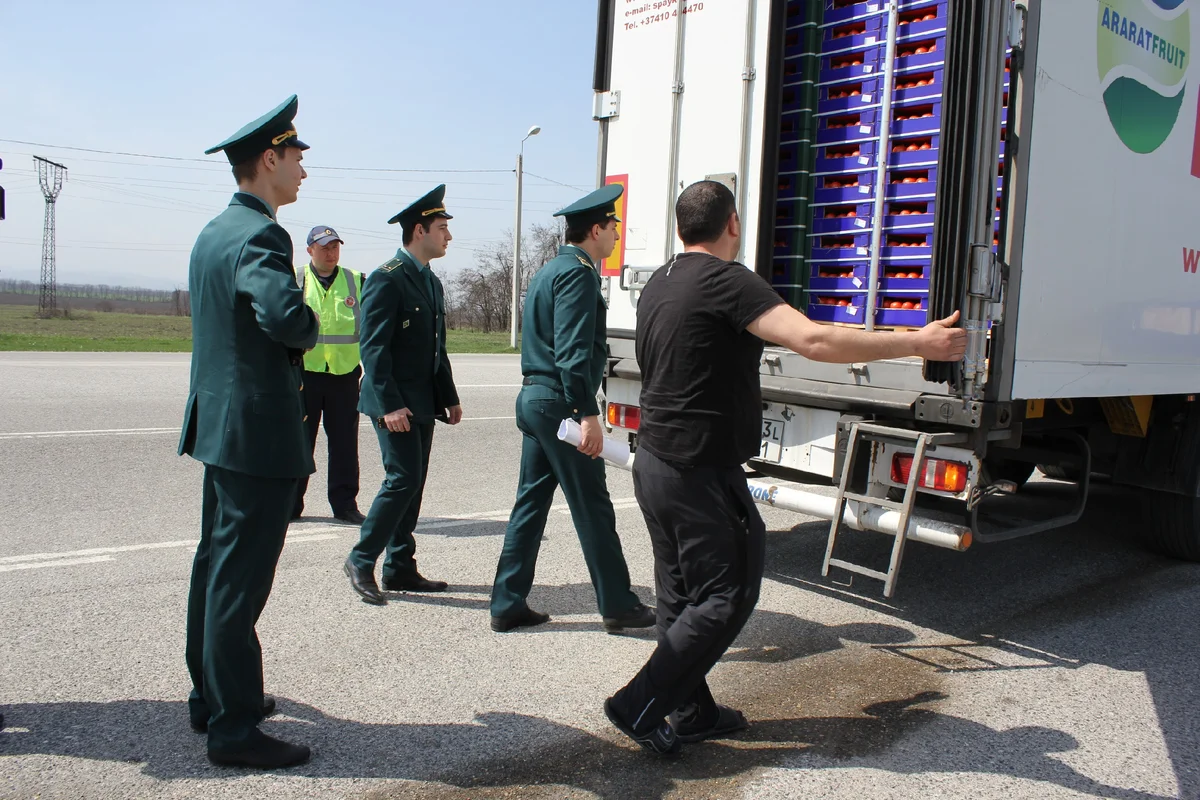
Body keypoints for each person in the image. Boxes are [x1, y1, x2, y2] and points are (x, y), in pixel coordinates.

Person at [603, 180, 968, 756]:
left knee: (680, 592)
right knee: (727, 594)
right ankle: (637, 705)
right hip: (700, 471)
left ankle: (692, 710)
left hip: (654, 462)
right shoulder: (728, 281)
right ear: (733, 225)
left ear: (681, 229)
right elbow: (815, 341)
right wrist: (915, 341)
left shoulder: (660, 284)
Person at [179, 95, 318, 769]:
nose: (302, 173)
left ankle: (212, 695)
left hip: (219, 426)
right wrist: (307, 326)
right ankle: (234, 727)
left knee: (214, 564)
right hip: (257, 433)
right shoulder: (263, 236)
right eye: (296, 158)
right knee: (238, 578)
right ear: (269, 159)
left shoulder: (214, 231)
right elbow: (285, 318)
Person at [489, 185, 656, 634]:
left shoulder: (550, 270)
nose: (618, 234)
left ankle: (507, 601)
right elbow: (573, 352)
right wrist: (587, 414)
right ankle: (618, 605)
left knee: (531, 504)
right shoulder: (579, 274)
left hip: (535, 399)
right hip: (561, 403)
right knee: (593, 506)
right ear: (596, 229)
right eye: (614, 226)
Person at [343, 185, 462, 606]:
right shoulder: (387, 278)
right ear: (419, 230)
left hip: (423, 400)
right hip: (392, 402)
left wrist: (448, 396)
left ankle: (400, 567)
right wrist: (390, 403)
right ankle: (361, 559)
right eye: (442, 228)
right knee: (402, 479)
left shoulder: (429, 281)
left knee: (414, 482)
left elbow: (436, 347)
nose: (448, 236)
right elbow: (372, 347)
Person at [292, 225, 367, 525]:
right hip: (304, 375)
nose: (330, 253)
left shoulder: (357, 280)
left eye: (335, 247)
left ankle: (345, 504)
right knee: (299, 442)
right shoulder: (295, 279)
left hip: (344, 374)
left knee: (345, 445)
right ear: (310, 250)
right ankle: (290, 504)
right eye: (324, 247)